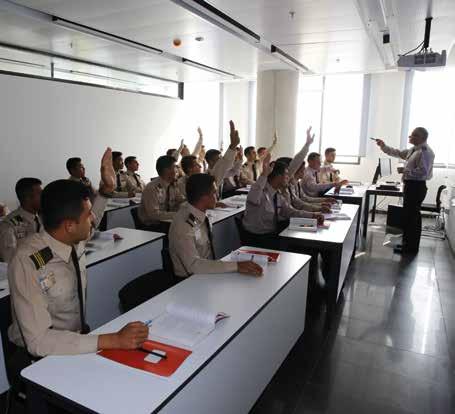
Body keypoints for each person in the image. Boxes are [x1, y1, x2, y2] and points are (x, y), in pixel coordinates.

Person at [7, 149, 148, 363]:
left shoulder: (70, 237)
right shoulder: (28, 260)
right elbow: (39, 341)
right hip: (39, 359)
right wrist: (112, 340)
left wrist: (106, 191)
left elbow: (95, 219)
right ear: (69, 225)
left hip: (74, 341)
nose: (93, 218)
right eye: (87, 214)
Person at [169, 173, 263, 278]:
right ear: (204, 198)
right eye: (214, 192)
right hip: (189, 281)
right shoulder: (183, 225)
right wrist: (236, 266)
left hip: (206, 272)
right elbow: (193, 266)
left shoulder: (200, 213)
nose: (217, 196)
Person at [242, 153, 324, 249]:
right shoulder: (259, 192)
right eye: (286, 174)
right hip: (257, 240)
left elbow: (290, 211)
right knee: (304, 247)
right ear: (278, 176)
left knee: (309, 244)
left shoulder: (277, 194)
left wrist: (313, 215)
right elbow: (255, 192)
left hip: (273, 235)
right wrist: (264, 174)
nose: (288, 177)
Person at [376, 127, 435, 254]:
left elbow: (423, 173)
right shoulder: (413, 150)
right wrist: (383, 146)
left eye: (413, 135)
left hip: (416, 187)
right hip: (411, 185)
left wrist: (405, 171)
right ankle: (407, 244)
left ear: (421, 138)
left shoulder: (425, 152)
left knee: (412, 218)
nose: (410, 137)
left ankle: (411, 248)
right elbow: (397, 153)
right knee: (409, 217)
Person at [0, 178, 42, 263]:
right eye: (40, 194)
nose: (44, 197)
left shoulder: (43, 219)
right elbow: (10, 261)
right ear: (28, 198)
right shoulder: (9, 225)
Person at [138, 155, 185, 226]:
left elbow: (181, 200)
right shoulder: (152, 188)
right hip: (153, 225)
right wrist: (177, 214)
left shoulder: (173, 184)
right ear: (167, 170)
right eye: (175, 167)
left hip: (168, 221)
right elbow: (154, 215)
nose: (177, 170)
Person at [205, 120, 240, 190]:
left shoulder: (219, 171)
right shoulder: (210, 174)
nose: (221, 161)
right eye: (219, 159)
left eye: (221, 158)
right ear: (211, 162)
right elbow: (226, 162)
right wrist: (233, 146)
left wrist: (233, 146)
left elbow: (233, 170)